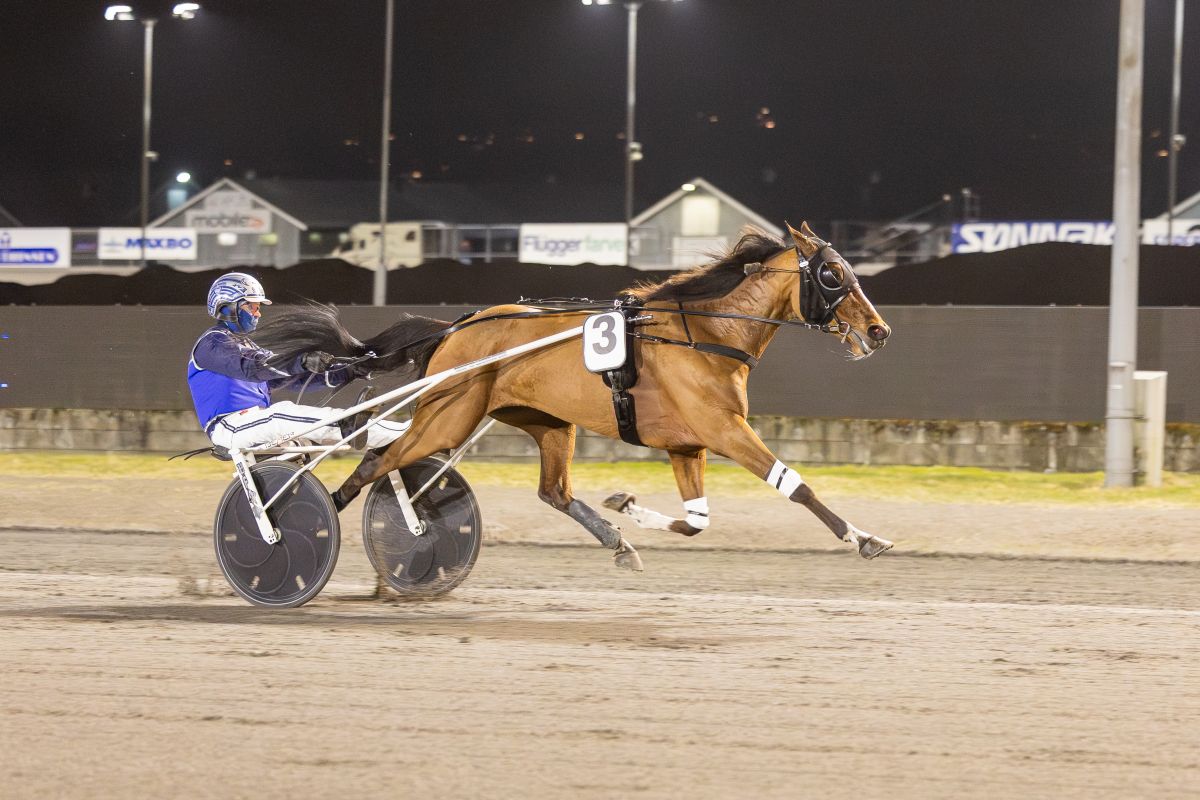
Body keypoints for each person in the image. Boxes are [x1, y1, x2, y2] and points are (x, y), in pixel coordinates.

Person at [187, 272, 408, 451]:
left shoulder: (247, 347)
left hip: (252, 425)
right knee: (281, 413)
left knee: (289, 426)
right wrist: (301, 360)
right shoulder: (211, 344)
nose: (258, 313)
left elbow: (295, 379)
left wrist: (350, 370)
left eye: (258, 308)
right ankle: (354, 426)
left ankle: (405, 434)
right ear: (227, 307)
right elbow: (252, 367)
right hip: (229, 427)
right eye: (252, 306)